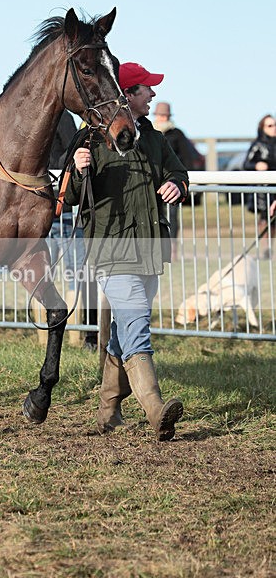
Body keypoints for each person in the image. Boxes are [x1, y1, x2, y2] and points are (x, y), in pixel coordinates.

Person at [64, 62, 189, 441]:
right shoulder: (88, 139)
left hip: (150, 250)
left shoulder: (153, 138)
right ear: (127, 94)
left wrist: (176, 185)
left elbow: (179, 173)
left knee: (123, 328)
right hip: (111, 250)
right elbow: (68, 197)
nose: (153, 94)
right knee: (137, 328)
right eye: (146, 89)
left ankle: (107, 411)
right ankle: (155, 409)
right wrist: (77, 169)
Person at [48, 111, 98, 351]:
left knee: (80, 276)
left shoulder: (63, 118)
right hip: (44, 214)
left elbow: (71, 156)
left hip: (68, 213)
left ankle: (89, 334)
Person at [152, 101, 204, 250]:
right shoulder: (148, 132)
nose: (162, 118)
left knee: (172, 215)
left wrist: (186, 178)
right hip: (154, 181)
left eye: (165, 115)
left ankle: (172, 247)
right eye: (160, 115)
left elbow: (187, 157)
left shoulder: (177, 134)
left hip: (171, 181)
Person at [243, 114, 276, 258]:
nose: (274, 128)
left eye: (275, 125)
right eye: (270, 125)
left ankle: (270, 248)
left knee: (273, 221)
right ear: (263, 128)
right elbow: (246, 163)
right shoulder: (257, 144)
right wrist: (257, 165)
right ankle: (266, 250)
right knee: (265, 218)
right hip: (263, 189)